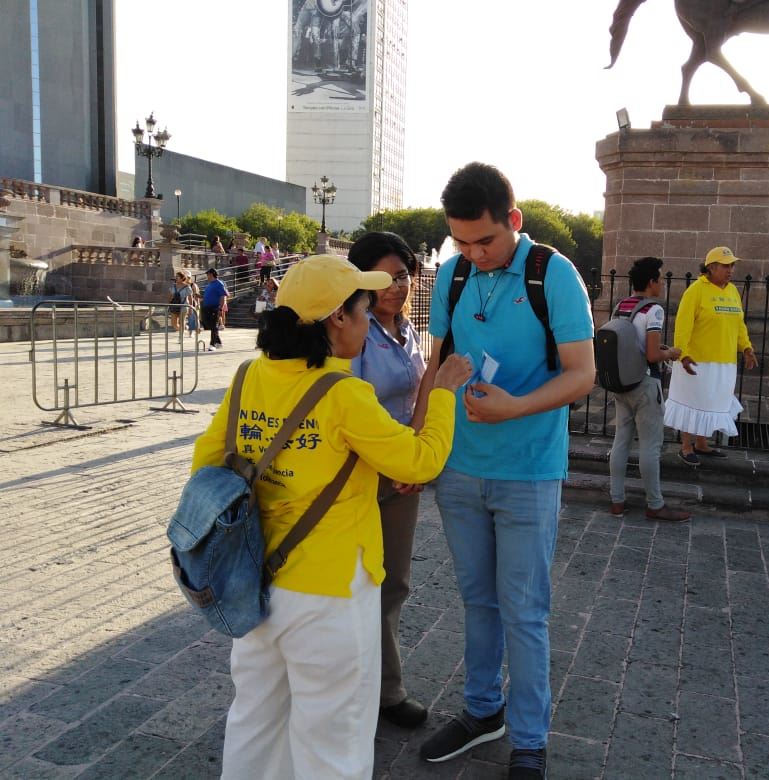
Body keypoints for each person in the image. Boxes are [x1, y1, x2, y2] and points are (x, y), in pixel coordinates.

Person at [192, 253, 471, 779]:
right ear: (337, 318)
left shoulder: (249, 376)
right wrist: (442, 394)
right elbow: (419, 461)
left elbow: (205, 465)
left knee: (256, 721)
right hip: (329, 590)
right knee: (334, 737)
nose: (369, 321)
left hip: (253, 579)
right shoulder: (343, 394)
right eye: (363, 310)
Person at [414, 162, 595, 779]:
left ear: (513, 220)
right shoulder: (453, 274)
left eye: (484, 240)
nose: (473, 253)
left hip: (528, 471)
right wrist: (420, 445)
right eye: (460, 242)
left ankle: (530, 740)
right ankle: (481, 709)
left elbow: (582, 374)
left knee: (524, 608)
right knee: (478, 600)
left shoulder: (553, 275)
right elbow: (434, 366)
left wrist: (516, 406)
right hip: (460, 467)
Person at [347, 231, 430, 728]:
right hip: (360, 474)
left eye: (402, 276)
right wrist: (396, 460)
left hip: (401, 475)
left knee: (393, 583)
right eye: (383, 279)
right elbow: (353, 406)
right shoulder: (354, 331)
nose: (396, 287)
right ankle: (358, 689)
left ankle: (384, 689)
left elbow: (419, 397)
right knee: (357, 582)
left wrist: (413, 458)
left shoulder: (408, 330)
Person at [607, 257, 690, 522]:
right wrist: (672, 353)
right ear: (652, 282)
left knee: (621, 441)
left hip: (622, 383)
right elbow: (652, 355)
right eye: (661, 279)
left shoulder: (621, 306)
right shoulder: (654, 310)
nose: (662, 284)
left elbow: (632, 344)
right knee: (650, 447)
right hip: (644, 383)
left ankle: (617, 500)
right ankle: (655, 504)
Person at [664, 246, 758, 465]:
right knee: (692, 400)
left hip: (725, 361)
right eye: (725, 266)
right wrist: (683, 355)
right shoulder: (696, 291)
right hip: (697, 361)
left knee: (711, 402)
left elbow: (739, 324)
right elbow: (683, 327)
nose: (730, 270)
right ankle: (686, 447)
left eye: (732, 265)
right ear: (711, 267)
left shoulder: (732, 291)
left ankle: (702, 443)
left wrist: (746, 348)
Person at [200, 268, 228, 351]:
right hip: (206, 307)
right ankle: (218, 342)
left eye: (208, 274)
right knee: (208, 324)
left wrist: (220, 308)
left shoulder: (219, 284)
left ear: (211, 274)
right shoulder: (210, 284)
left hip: (214, 307)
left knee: (214, 326)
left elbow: (223, 296)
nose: (207, 276)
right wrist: (199, 296)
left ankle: (213, 344)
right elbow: (207, 296)